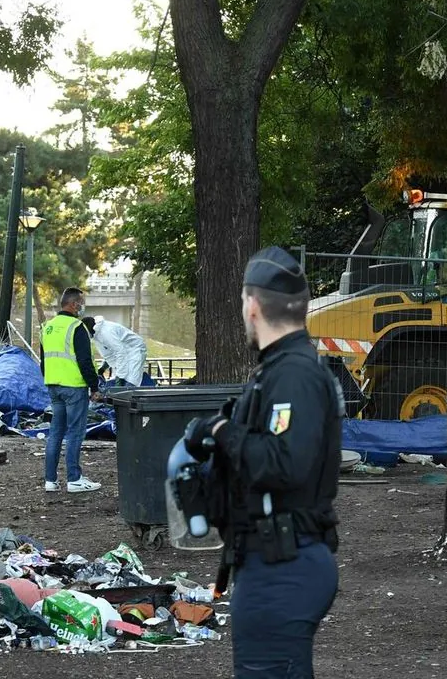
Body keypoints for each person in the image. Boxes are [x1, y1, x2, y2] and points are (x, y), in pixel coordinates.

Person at [182, 246, 341, 678]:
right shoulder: (277, 370)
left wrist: (220, 431)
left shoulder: (294, 374)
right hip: (273, 562)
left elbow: (284, 464)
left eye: (240, 302)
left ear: (252, 305)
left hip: (284, 568)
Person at [39, 287, 103, 493]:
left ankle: (50, 480)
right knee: (75, 432)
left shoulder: (47, 327)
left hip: (53, 386)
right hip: (74, 388)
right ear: (74, 304)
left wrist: (50, 380)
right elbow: (85, 361)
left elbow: (44, 361)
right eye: (81, 303)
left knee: (56, 433)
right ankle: (74, 479)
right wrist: (94, 386)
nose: (82, 306)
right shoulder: (77, 327)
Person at [81, 316, 149, 387]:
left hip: (134, 349)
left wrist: (120, 376)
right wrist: (103, 368)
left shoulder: (106, 332)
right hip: (124, 352)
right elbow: (109, 354)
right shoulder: (96, 335)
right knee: (120, 381)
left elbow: (120, 352)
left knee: (131, 381)